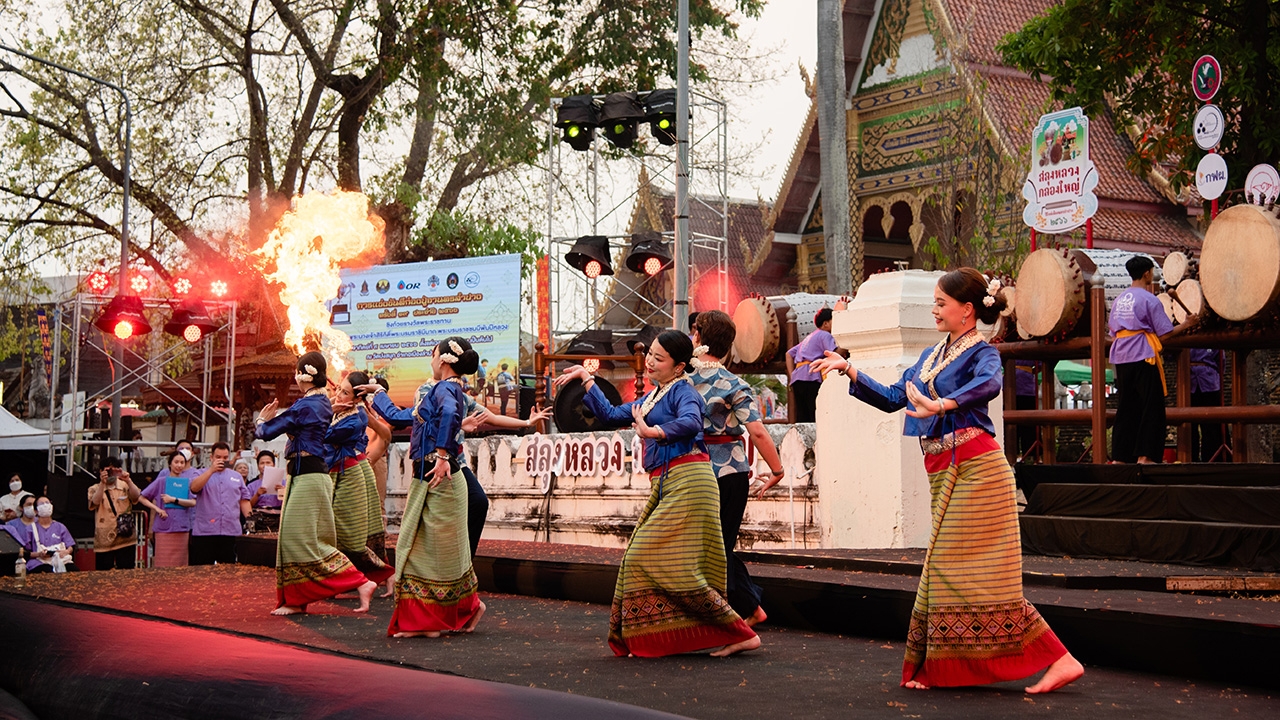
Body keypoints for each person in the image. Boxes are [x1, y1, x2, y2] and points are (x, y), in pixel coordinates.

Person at [811, 268, 1084, 693]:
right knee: (949, 569)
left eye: (941, 303)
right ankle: (960, 666)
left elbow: (989, 385)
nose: (934, 310)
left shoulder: (983, 353)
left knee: (952, 567)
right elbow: (894, 398)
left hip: (978, 468)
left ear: (967, 310)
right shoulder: (930, 355)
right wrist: (850, 370)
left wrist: (943, 406)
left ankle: (1049, 659)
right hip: (944, 469)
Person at [553, 329, 760, 658]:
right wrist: (587, 380)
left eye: (658, 358)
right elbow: (608, 415)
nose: (649, 361)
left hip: (689, 481)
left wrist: (655, 432)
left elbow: (692, 422)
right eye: (649, 354)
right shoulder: (653, 398)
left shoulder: (683, 391)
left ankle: (736, 632)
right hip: (666, 483)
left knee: (646, 558)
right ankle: (667, 635)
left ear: (678, 367)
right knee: (663, 563)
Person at [361, 337, 486, 638]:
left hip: (439, 475)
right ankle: (462, 608)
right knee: (432, 553)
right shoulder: (443, 390)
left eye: (432, 355)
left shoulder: (446, 388)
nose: (430, 360)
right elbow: (401, 418)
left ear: (442, 359)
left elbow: (449, 415)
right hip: (430, 477)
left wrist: (443, 455)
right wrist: (379, 394)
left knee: (421, 553)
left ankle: (433, 620)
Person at [256, 352, 376, 615]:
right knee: (297, 539)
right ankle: (297, 600)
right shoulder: (322, 402)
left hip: (309, 476)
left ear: (301, 375)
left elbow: (264, 433)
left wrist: (261, 419)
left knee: (298, 539)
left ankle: (360, 581)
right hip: (310, 475)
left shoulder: (306, 406)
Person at [689, 310, 786, 628]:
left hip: (697, 474)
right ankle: (749, 605)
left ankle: (746, 607)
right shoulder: (734, 383)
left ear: (698, 337)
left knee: (712, 548)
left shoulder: (683, 382)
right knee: (721, 544)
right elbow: (757, 431)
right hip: (732, 474)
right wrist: (777, 469)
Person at [325, 371, 394, 589]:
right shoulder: (344, 412)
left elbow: (386, 436)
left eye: (344, 392)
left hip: (357, 469)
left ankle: (373, 577)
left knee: (353, 531)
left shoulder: (358, 417)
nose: (338, 395)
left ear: (359, 396)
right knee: (350, 528)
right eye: (338, 390)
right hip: (345, 468)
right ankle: (366, 578)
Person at [1109, 256, 1174, 464]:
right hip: (1143, 355)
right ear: (1147, 273)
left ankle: (1120, 457)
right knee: (1151, 406)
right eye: (1152, 272)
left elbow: (1113, 331)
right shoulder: (1149, 299)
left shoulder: (1119, 299)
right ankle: (1146, 456)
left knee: (1126, 406)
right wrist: (1187, 325)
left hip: (1121, 355)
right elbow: (1164, 333)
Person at [188, 442, 252, 565]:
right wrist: (211, 470)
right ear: (211, 458)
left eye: (225, 457)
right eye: (218, 457)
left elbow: (244, 500)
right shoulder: (199, 473)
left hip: (231, 531)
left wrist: (250, 520)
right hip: (205, 532)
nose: (222, 460)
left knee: (228, 572)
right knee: (202, 572)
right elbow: (194, 488)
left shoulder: (236, 476)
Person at [139, 451, 198, 567]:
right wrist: (157, 509)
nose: (179, 465)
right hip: (163, 528)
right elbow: (142, 497)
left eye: (182, 462)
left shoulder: (188, 482)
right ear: (170, 464)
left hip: (182, 528)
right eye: (176, 462)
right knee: (163, 564)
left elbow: (193, 502)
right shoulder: (161, 481)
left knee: (181, 565)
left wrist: (173, 499)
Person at [88, 456, 142, 570]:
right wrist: (103, 483)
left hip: (125, 537)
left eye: (114, 470)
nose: (111, 473)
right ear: (101, 471)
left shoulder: (125, 485)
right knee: (104, 573)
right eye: (108, 470)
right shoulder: (95, 488)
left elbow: (136, 496)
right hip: (104, 541)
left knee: (126, 571)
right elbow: (95, 502)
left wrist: (128, 480)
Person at [786, 308, 837, 422]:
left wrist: (791, 376)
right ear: (826, 323)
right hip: (811, 377)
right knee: (814, 413)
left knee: (802, 415)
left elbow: (789, 354)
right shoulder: (825, 335)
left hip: (798, 378)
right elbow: (834, 354)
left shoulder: (810, 337)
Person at [15, 497, 77, 573]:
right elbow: (25, 552)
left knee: (74, 571)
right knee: (47, 572)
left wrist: (67, 551)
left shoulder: (60, 526)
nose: (45, 505)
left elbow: (70, 545)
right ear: (35, 511)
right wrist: (39, 554)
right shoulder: (30, 529)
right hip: (39, 561)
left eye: (47, 503)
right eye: (41, 504)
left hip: (60, 559)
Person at [1190, 348, 1225, 462]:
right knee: (1189, 425)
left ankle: (1213, 459)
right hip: (1188, 382)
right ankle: (1190, 458)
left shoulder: (1214, 338)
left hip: (1209, 382)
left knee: (1212, 424)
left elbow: (1221, 361)